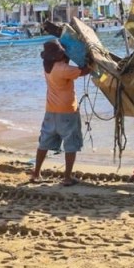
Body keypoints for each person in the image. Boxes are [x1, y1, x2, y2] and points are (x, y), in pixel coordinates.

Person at [30, 39, 90, 186]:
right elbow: (85, 71)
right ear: (59, 55)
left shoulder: (48, 68)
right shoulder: (63, 69)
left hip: (51, 111)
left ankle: (36, 173)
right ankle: (67, 177)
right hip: (67, 112)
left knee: (44, 143)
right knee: (71, 144)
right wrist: (91, 59)